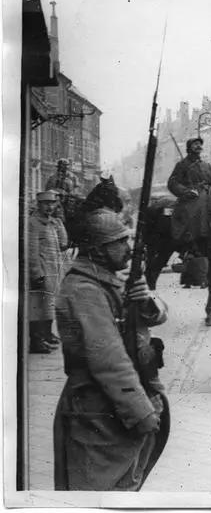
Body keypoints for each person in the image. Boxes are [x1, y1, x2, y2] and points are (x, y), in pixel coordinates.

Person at [54, 209, 168, 490]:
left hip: (115, 408)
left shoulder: (105, 279)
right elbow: (108, 359)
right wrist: (141, 412)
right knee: (102, 492)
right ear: (97, 249)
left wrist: (146, 301)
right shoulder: (83, 289)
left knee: (126, 483)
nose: (128, 250)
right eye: (120, 242)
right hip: (99, 411)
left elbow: (155, 317)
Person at [28, 190, 69, 353]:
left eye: (53, 204)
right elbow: (32, 251)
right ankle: (37, 341)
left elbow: (63, 244)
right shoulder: (33, 223)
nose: (50, 207)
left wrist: (60, 223)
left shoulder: (53, 222)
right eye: (46, 204)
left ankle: (46, 335)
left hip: (54, 270)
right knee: (38, 307)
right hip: (42, 270)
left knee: (50, 305)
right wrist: (36, 272)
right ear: (39, 205)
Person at [167, 137, 211, 255]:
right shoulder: (182, 165)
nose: (198, 146)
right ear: (189, 148)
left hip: (208, 194)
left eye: (199, 144)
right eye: (195, 144)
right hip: (191, 197)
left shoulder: (207, 165)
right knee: (192, 212)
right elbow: (172, 183)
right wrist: (186, 191)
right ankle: (191, 241)